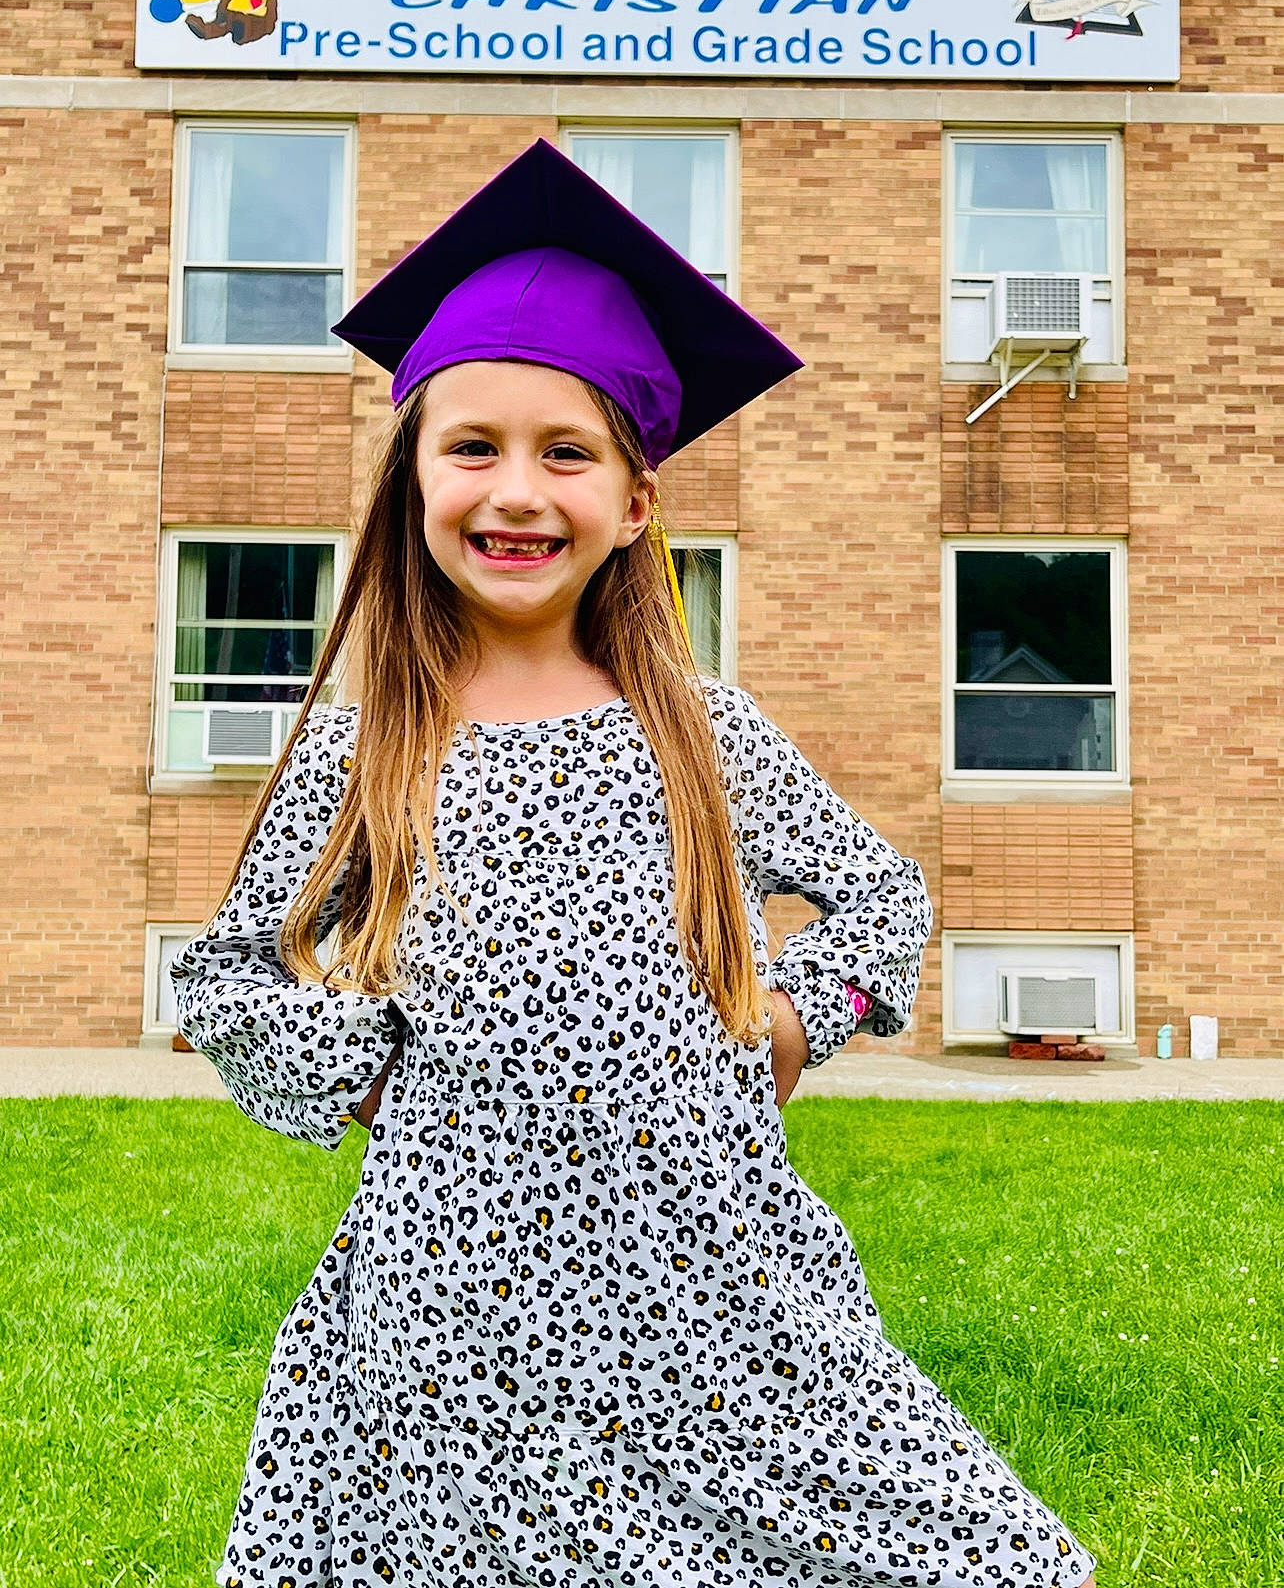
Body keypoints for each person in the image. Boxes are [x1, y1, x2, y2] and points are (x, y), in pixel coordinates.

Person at [172, 137, 1098, 1588]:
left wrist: (800, 1016)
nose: (515, 490)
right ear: (413, 473)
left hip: (718, 1291)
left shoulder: (702, 734)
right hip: (454, 1318)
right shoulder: (370, 751)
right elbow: (225, 973)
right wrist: (353, 1062)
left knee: (985, 1556)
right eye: (470, 445)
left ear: (637, 497)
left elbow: (884, 891)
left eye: (567, 452)